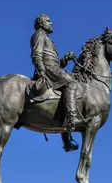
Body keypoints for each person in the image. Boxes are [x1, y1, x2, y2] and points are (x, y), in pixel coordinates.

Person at [30, 14, 79, 152]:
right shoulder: (39, 34)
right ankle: (71, 118)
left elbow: (55, 62)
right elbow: (37, 54)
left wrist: (65, 59)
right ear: (41, 23)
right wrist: (42, 71)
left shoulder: (47, 38)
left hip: (53, 67)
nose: (51, 23)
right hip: (48, 69)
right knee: (71, 83)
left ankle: (67, 141)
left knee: (64, 95)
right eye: (48, 21)